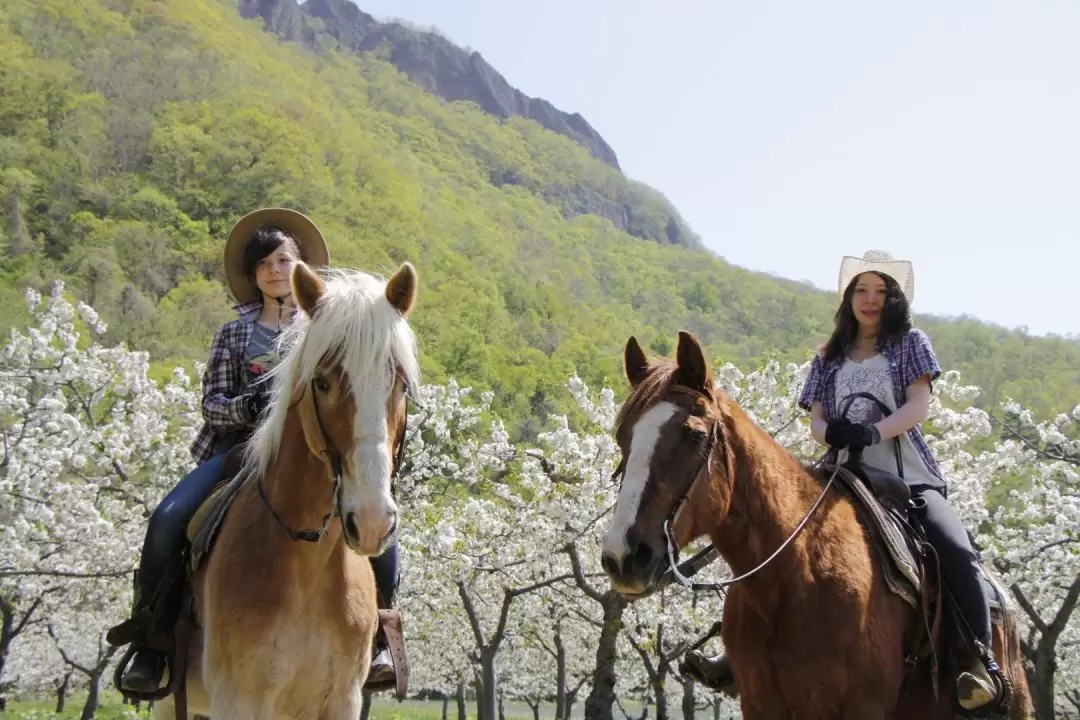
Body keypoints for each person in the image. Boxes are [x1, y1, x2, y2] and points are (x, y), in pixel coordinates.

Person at [687, 250, 1003, 712]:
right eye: (862, 290)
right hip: (841, 472)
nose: (870, 300)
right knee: (772, 540)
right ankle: (738, 654)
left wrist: (875, 430)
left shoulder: (911, 342)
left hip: (904, 475)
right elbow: (815, 419)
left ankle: (978, 659)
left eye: (880, 291)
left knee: (955, 549)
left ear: (893, 299)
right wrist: (829, 432)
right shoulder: (828, 357)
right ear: (849, 298)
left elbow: (918, 407)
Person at [117, 208, 400, 693]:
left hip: (312, 456)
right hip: (237, 452)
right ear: (252, 275)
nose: (274, 269)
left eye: (283, 259)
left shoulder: (327, 328)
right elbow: (212, 404)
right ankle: (151, 641)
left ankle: (381, 638)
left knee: (386, 537)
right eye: (264, 263)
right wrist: (248, 407)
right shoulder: (233, 333)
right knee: (168, 517)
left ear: (300, 265)